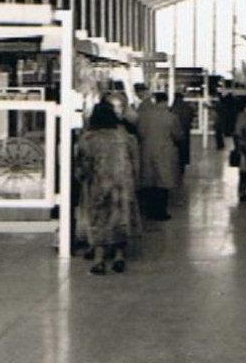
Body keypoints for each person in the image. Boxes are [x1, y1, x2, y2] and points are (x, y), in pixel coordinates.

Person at [74, 101, 141, 275]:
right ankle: (119, 257)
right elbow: (135, 162)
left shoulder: (89, 138)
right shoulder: (125, 137)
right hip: (123, 184)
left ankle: (99, 260)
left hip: (100, 184)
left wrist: (84, 179)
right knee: (120, 219)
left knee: (99, 219)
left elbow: (83, 164)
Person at [135, 92, 182, 221]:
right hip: (165, 151)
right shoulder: (171, 117)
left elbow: (139, 133)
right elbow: (177, 135)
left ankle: (150, 210)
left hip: (146, 151)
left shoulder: (143, 116)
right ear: (166, 101)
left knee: (149, 181)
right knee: (163, 182)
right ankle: (161, 211)